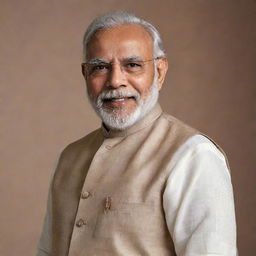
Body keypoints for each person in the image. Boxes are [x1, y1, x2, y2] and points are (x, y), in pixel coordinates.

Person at [37, 11, 237, 256]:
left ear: (160, 72)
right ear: (85, 74)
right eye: (99, 67)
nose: (115, 81)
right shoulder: (69, 158)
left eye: (132, 65)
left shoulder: (193, 156)